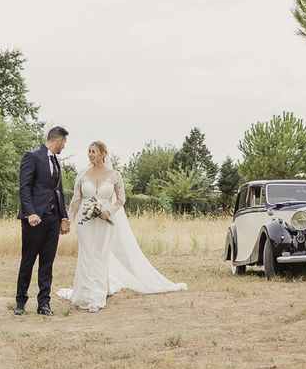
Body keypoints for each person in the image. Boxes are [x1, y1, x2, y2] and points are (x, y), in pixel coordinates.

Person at [57, 141, 186, 312]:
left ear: (103, 153)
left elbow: (121, 199)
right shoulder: (82, 174)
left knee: (100, 255)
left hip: (104, 220)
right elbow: (76, 199)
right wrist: (68, 219)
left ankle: (97, 295)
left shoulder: (115, 175)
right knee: (86, 254)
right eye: (88, 151)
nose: (90, 154)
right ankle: (84, 294)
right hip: (84, 221)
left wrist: (108, 211)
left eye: (93, 151)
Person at [15, 126, 71, 316]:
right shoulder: (32, 156)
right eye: (64, 142)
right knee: (28, 260)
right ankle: (21, 301)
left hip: (53, 220)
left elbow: (59, 191)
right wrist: (30, 213)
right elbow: (24, 187)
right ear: (58, 140)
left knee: (47, 262)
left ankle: (44, 303)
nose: (64, 146)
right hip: (34, 220)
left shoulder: (55, 161)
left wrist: (64, 217)